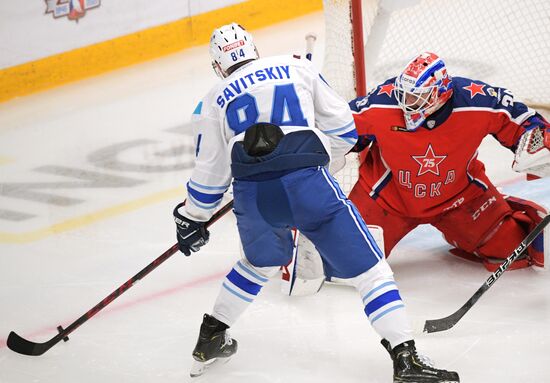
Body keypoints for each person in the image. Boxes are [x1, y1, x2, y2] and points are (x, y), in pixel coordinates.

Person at [173, 24, 460, 382]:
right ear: (254, 50)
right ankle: (405, 358)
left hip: (255, 194)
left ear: (218, 65)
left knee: (258, 263)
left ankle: (212, 336)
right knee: (371, 271)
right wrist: (325, 157)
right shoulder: (296, 67)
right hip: (307, 182)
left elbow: (210, 175)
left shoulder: (212, 99)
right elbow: (344, 130)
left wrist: (191, 217)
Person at [345, 51, 549, 272]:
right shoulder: (380, 104)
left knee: (512, 249)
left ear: (440, 94)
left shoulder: (477, 101)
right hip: (387, 200)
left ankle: (492, 215)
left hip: (459, 197)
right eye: (404, 94)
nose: (406, 103)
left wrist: (540, 142)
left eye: (416, 97)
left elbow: (523, 121)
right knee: (347, 264)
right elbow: (341, 128)